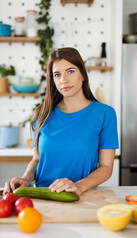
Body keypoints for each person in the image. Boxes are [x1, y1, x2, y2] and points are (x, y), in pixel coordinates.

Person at [4, 47, 119, 196]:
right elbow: (37, 159)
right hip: (42, 197)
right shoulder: (41, 114)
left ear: (83, 75)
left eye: (70, 71)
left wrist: (79, 186)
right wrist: (26, 178)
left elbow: (106, 167)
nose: (63, 80)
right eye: (57, 75)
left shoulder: (105, 114)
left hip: (81, 197)